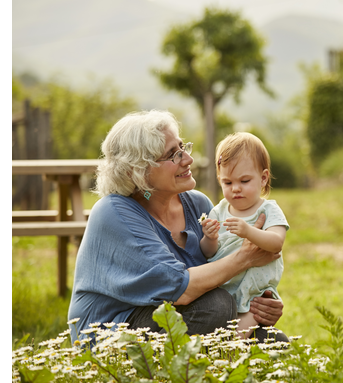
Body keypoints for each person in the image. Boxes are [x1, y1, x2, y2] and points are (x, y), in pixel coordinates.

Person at [68, 110, 286, 342]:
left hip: (182, 316)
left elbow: (220, 269)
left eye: (183, 148)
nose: (188, 159)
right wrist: (246, 257)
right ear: (139, 171)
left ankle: (212, 368)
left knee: (274, 341)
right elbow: (179, 289)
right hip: (115, 332)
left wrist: (261, 302)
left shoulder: (198, 203)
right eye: (173, 155)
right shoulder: (113, 212)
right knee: (217, 306)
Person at [200, 132, 288, 339]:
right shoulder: (218, 211)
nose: (236, 189)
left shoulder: (268, 210)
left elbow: (276, 243)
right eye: (228, 183)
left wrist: (249, 231)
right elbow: (207, 253)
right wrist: (210, 239)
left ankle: (229, 357)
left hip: (254, 292)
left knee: (235, 338)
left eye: (245, 181)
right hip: (224, 286)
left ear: (263, 178)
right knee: (219, 331)